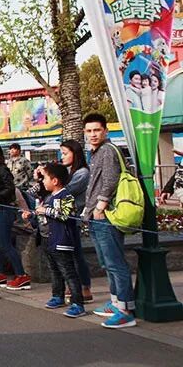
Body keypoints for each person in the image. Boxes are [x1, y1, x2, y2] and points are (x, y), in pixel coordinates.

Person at [83, 113, 137, 328]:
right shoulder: (97, 152)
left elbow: (110, 179)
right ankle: (116, 303)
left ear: (105, 131)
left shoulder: (107, 150)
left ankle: (125, 309)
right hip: (98, 215)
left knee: (114, 263)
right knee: (108, 262)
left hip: (107, 214)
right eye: (89, 131)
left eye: (97, 130)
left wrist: (100, 206)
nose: (93, 134)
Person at [23, 163, 86, 318]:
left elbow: (66, 215)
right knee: (54, 270)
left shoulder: (66, 196)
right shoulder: (49, 197)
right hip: (49, 240)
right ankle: (57, 295)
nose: (43, 182)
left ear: (55, 181)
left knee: (68, 272)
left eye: (45, 178)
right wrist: (32, 215)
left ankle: (78, 303)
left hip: (62, 240)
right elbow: (43, 217)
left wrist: (46, 211)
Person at [0, 141, 32, 290]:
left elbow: (10, 189)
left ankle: (21, 275)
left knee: (5, 243)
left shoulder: (2, 169)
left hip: (4, 209)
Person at [59, 139, 93, 303]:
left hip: (74, 218)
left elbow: (66, 191)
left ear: (75, 153)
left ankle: (84, 287)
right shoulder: (69, 171)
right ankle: (75, 286)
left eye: (65, 153)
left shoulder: (82, 173)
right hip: (65, 217)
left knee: (76, 254)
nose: (62, 157)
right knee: (70, 254)